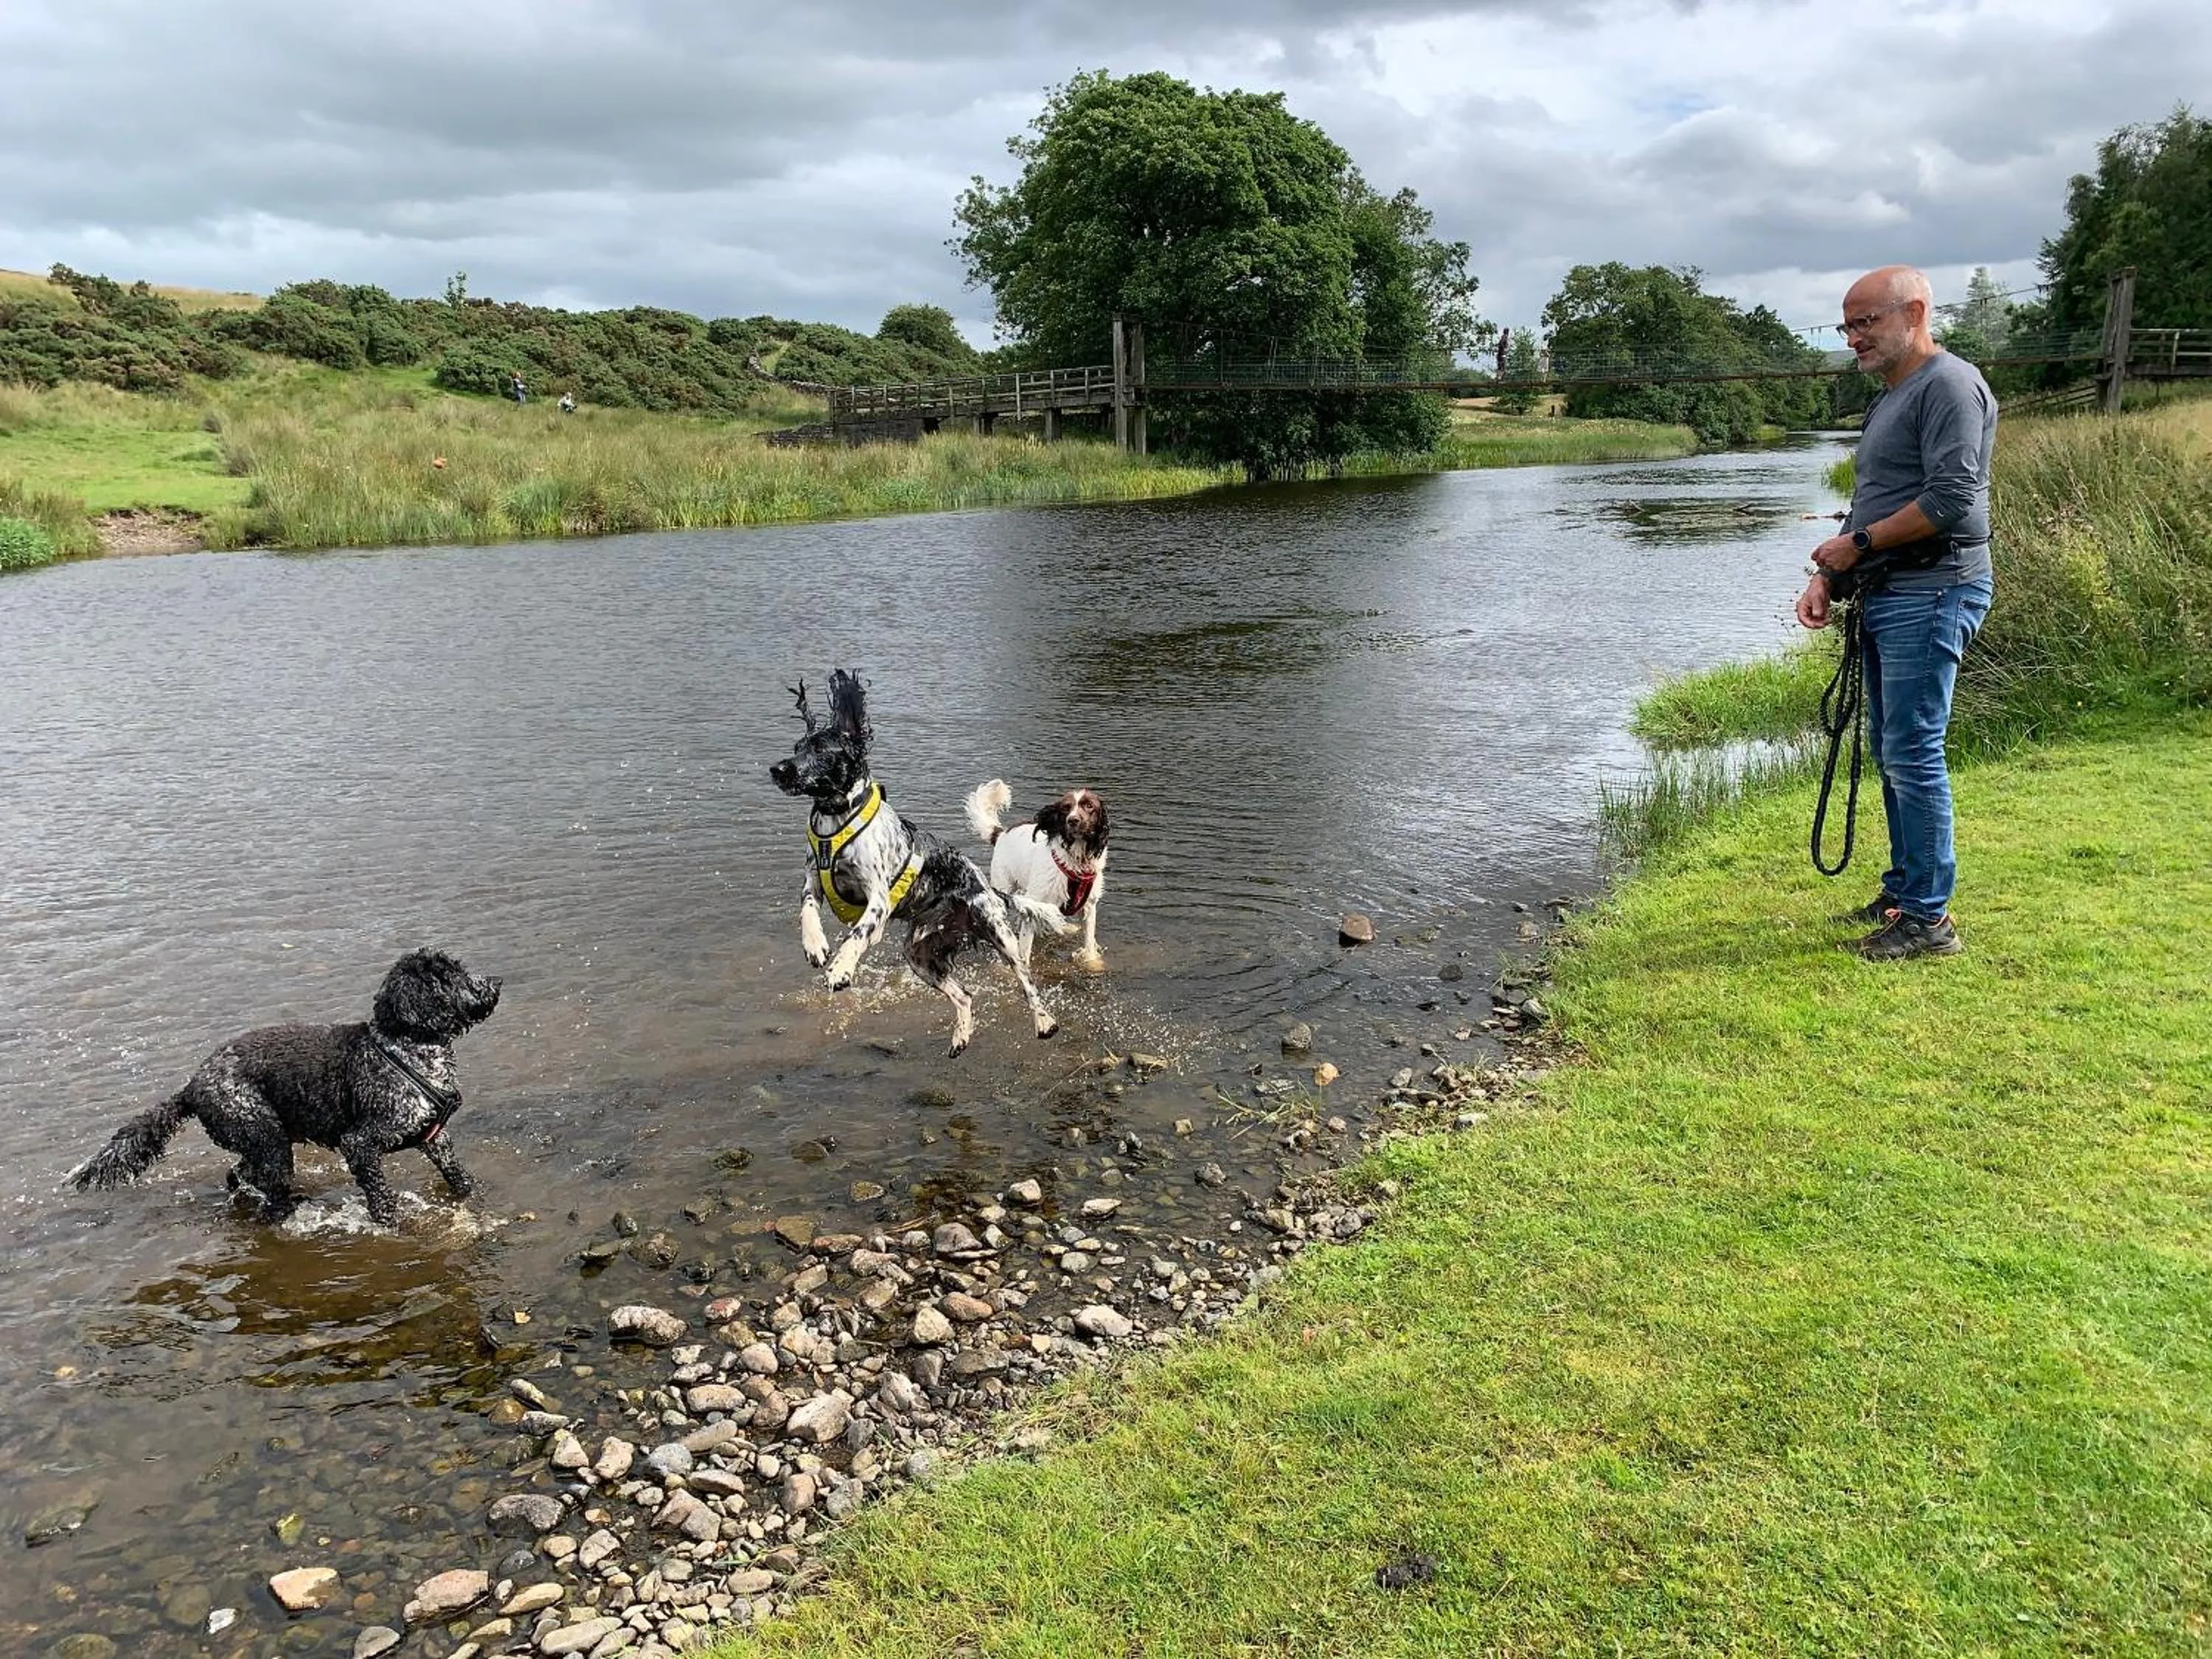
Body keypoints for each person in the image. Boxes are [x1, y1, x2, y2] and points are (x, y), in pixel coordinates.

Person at [1797, 265, 1996, 961]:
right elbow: (1878, 496)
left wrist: (1855, 545)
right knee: (1893, 749)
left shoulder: (1948, 385)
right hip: (1892, 591)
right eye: (1846, 325)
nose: (1853, 338)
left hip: (1935, 589)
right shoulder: (1892, 395)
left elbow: (1952, 501)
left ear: (1913, 313)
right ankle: (1904, 891)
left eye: (1865, 322)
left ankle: (1928, 922)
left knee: (1913, 751)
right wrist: (1831, 574)